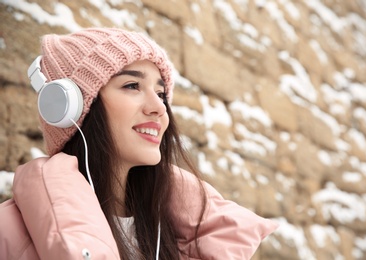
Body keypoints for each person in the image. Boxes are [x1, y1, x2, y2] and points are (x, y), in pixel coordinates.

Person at [0, 28, 278, 259]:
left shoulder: (173, 233)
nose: (159, 107)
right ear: (68, 108)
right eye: (132, 86)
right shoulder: (8, 233)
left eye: (161, 93)